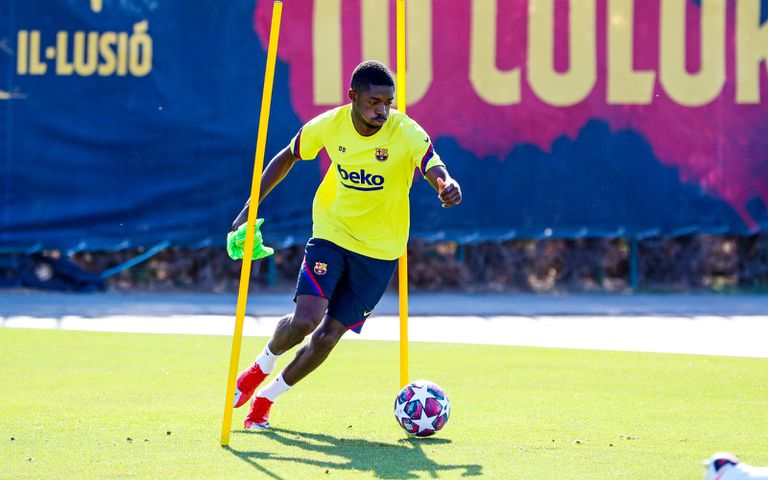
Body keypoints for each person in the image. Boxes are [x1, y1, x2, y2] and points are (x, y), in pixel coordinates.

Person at [228, 60, 462, 430]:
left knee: (327, 336)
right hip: (332, 233)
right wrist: (249, 207)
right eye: (373, 102)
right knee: (306, 319)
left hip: (381, 250)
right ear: (353, 96)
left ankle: (266, 400)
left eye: (388, 102)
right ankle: (262, 364)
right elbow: (287, 156)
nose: (382, 111)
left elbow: (432, 163)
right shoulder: (329, 125)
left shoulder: (406, 131)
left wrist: (446, 184)